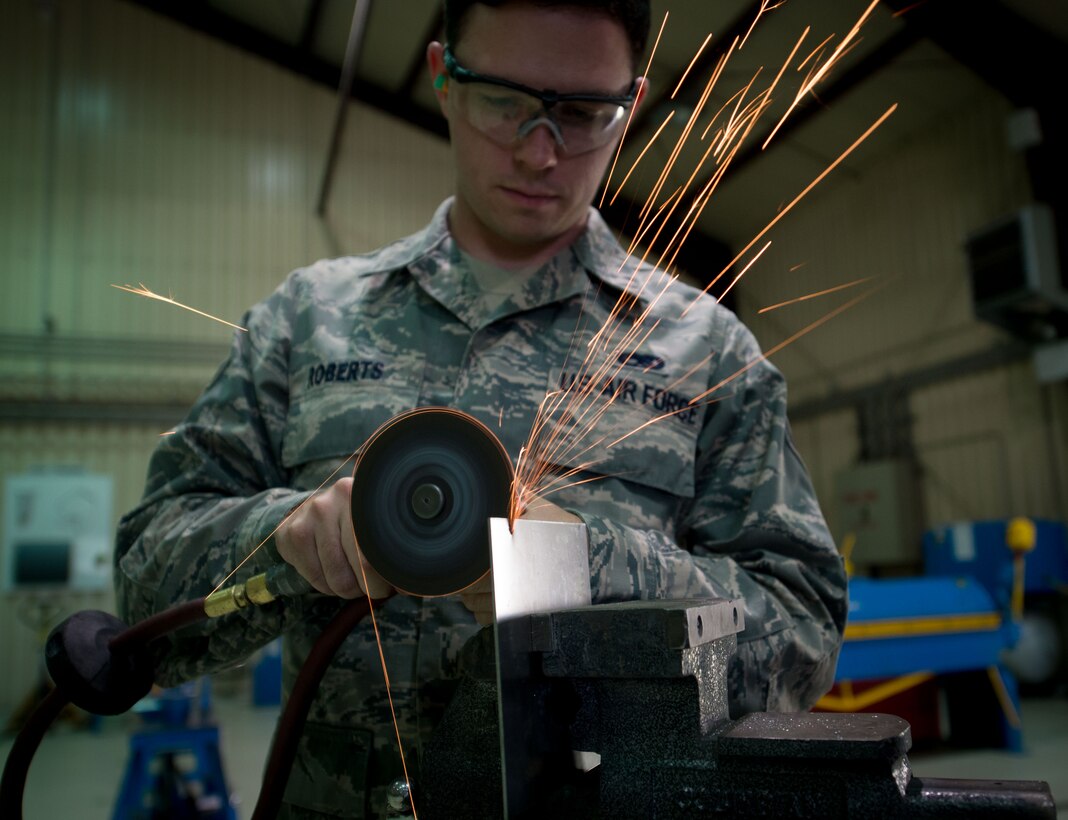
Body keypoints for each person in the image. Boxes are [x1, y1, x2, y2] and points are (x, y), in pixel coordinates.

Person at [115, 0, 848, 817]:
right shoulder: (305, 321)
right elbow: (143, 595)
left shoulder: (706, 351)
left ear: (632, 106)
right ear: (442, 79)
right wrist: (283, 541)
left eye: (582, 112)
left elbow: (804, 639)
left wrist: (594, 571)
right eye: (504, 100)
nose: (542, 152)